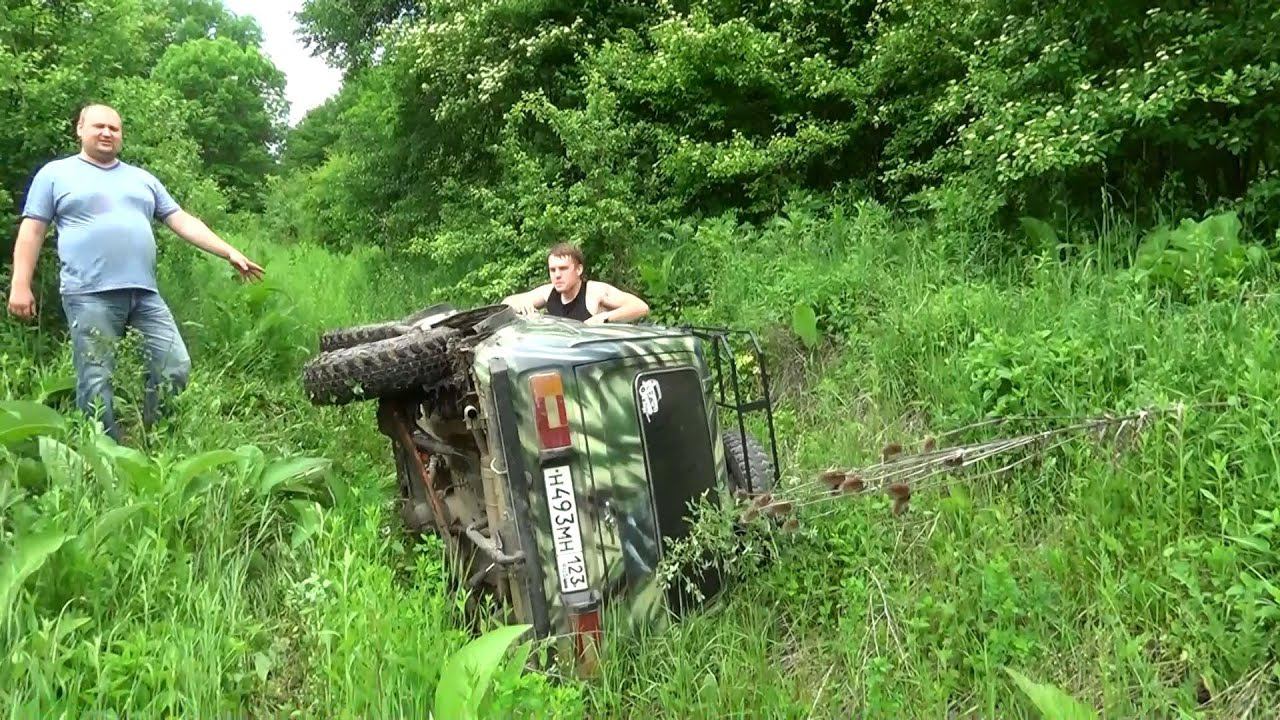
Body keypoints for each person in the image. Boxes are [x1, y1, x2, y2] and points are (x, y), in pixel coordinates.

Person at [6, 103, 265, 442]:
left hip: (144, 293)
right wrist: (20, 285)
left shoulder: (142, 179)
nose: (106, 133)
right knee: (96, 378)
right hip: (88, 293)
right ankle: (104, 453)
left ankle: (153, 437)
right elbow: (33, 230)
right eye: (99, 126)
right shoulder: (55, 174)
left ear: (121, 136)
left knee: (175, 364)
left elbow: (181, 219)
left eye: (114, 128)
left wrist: (228, 251)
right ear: (80, 129)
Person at [502, 242, 649, 324]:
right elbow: (507, 302)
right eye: (553, 270)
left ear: (578, 270)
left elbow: (640, 307)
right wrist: (521, 304)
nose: (557, 275)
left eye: (563, 269)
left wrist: (603, 318)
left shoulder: (594, 291)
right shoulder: (548, 292)